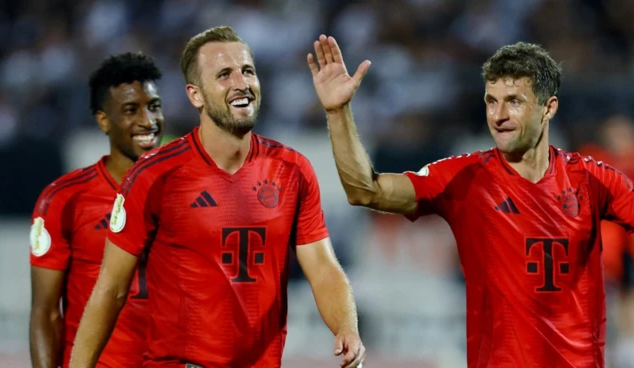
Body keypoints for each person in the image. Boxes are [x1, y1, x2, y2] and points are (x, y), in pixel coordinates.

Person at [308, 34, 634, 367]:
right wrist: (338, 112)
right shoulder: (465, 178)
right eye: (491, 101)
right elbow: (366, 190)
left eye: (514, 101)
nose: (499, 115)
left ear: (548, 107)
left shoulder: (594, 180)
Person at [69, 26, 366, 368]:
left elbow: (323, 268)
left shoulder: (292, 170)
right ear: (196, 95)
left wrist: (347, 328)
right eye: (224, 74)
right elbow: (111, 288)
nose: (241, 83)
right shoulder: (154, 176)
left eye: (248, 71)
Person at [29, 52, 165, 368]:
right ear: (104, 120)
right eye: (131, 110)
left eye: (154, 106)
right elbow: (46, 313)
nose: (148, 120)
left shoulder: (189, 192)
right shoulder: (64, 199)